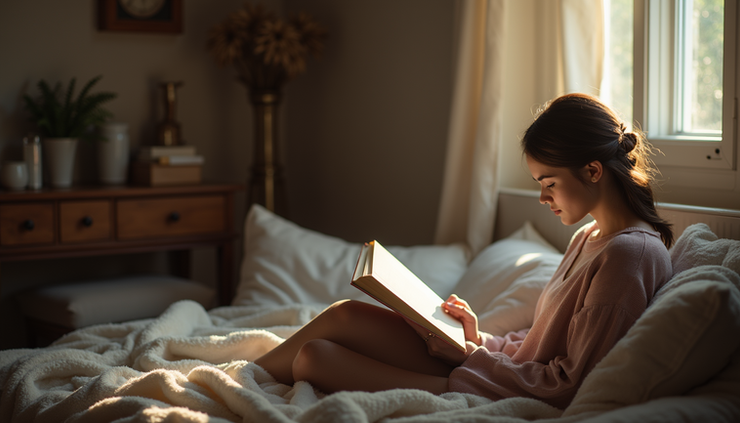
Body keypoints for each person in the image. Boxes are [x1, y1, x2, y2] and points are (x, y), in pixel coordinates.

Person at [254, 93, 673, 408]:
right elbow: (542, 343)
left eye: (549, 183)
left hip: (496, 386)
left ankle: (246, 383)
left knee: (314, 360)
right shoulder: (590, 237)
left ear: (593, 170)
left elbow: (570, 383)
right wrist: (479, 338)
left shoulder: (629, 257)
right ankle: (245, 377)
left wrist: (472, 357)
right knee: (344, 314)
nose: (544, 199)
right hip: (492, 366)